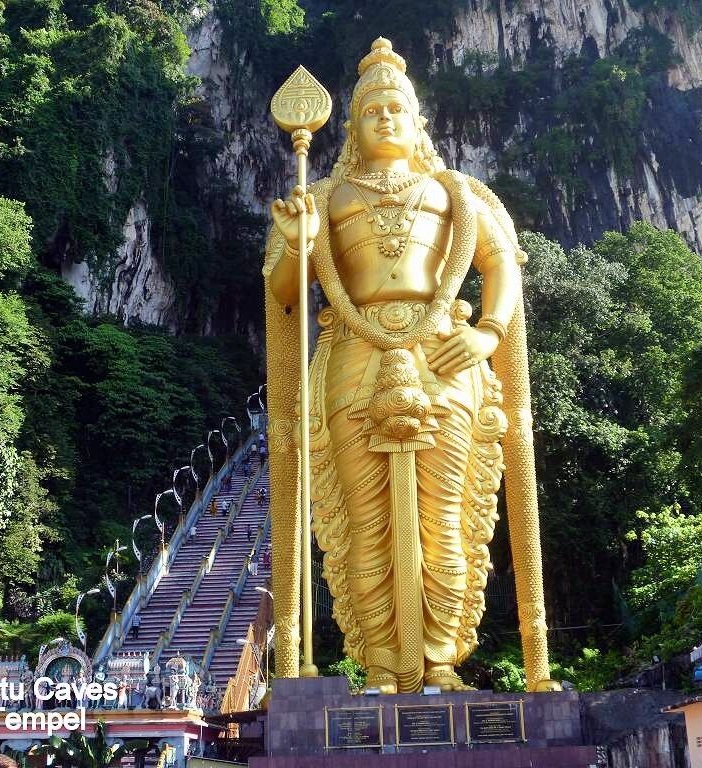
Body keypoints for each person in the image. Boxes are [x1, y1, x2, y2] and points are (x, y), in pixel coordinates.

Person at [265, 38, 548, 693]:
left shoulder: (455, 193)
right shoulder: (324, 198)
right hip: (353, 356)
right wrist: (300, 245)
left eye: (396, 108)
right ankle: (382, 666)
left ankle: (441, 661)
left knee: (444, 519)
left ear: (418, 121)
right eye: (372, 111)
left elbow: (500, 263)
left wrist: (489, 331)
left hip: (444, 352)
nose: (385, 118)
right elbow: (283, 293)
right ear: (352, 128)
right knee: (366, 525)